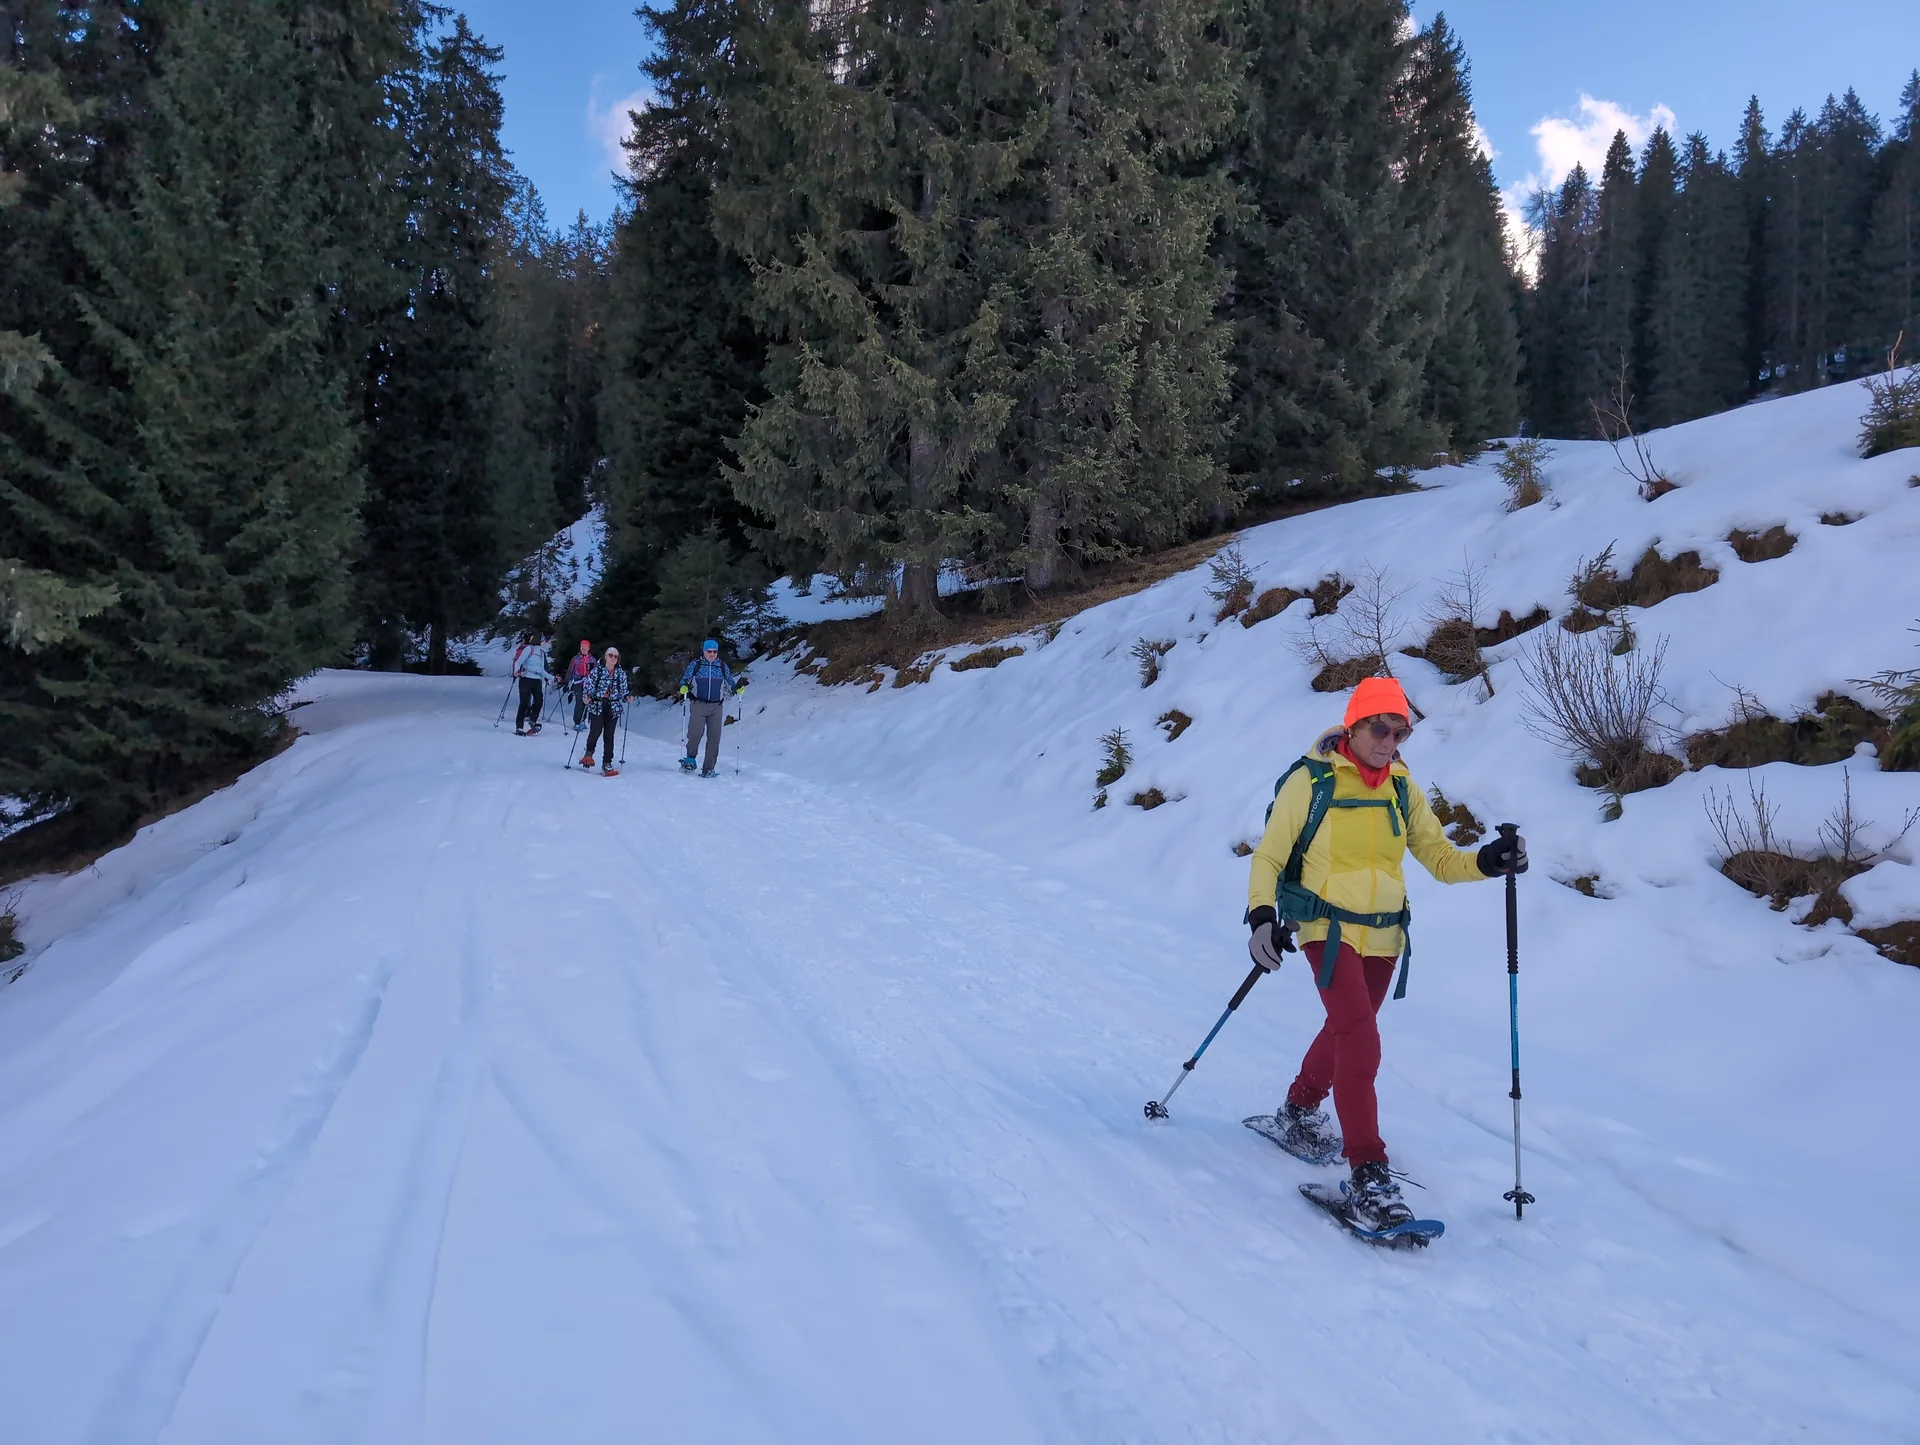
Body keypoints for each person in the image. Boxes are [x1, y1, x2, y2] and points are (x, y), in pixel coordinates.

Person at [1243, 676, 1527, 1232]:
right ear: (1354, 725)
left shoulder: (1401, 785)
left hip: (1384, 934)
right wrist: (1259, 917)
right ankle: (1369, 1173)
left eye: (1401, 732)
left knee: (1348, 1027)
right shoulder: (1311, 780)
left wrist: (1489, 861)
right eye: (1381, 728)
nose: (1390, 741)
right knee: (1360, 1036)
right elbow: (1269, 856)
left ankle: (1299, 1110)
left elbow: (1440, 859)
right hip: (1325, 927)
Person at [677, 639, 745, 777]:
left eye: (715, 651)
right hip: (698, 704)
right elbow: (684, 680)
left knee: (714, 737)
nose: (712, 654)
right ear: (704, 651)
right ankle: (690, 759)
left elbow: (730, 682)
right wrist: (683, 687)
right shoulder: (696, 665)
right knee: (695, 733)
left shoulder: (721, 666)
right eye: (709, 651)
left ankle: (709, 768)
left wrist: (737, 688)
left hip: (716, 706)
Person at [578, 646, 630, 776]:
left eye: (615, 656)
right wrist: (586, 697)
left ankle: (607, 763)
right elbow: (588, 686)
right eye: (610, 655)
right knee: (595, 731)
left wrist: (627, 697)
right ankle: (588, 754)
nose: (613, 658)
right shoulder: (597, 672)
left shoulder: (621, 674)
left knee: (609, 735)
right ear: (605, 657)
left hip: (613, 707)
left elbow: (624, 690)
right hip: (597, 704)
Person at [510, 633, 551, 735]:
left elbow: (542, 670)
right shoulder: (529, 649)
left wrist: (554, 678)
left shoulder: (542, 652)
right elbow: (519, 662)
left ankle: (533, 720)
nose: (545, 642)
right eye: (544, 640)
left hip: (537, 680)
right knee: (524, 703)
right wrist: (516, 671)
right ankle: (519, 727)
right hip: (526, 678)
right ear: (540, 641)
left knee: (539, 701)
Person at [566, 637, 594, 731]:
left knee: (586, 702)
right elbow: (570, 671)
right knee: (579, 703)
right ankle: (577, 722)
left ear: (589, 648)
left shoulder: (592, 659)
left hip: (588, 684)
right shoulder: (576, 659)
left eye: (585, 646)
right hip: (578, 683)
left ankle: (582, 721)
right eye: (582, 646)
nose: (583, 648)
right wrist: (567, 682)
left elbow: (595, 672)